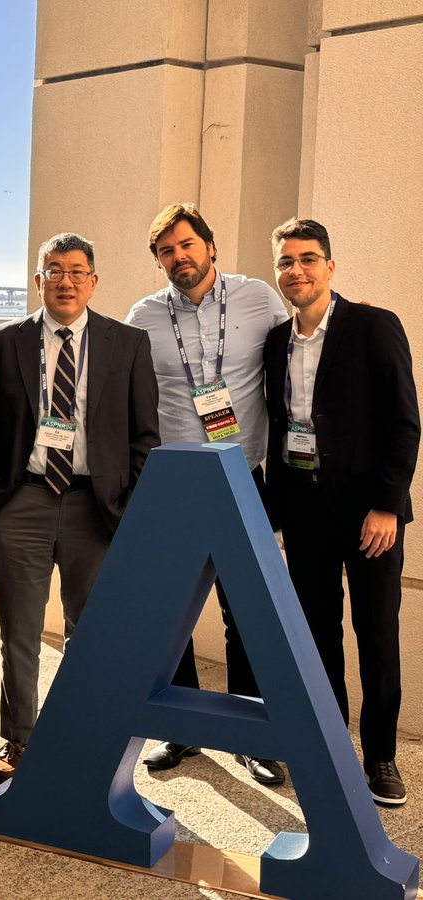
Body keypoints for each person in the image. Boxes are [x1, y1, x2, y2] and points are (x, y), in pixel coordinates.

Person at [0, 234, 160, 784]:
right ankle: (21, 740)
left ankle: (79, 734)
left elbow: (145, 435)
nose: (66, 280)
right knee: (20, 629)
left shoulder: (127, 343)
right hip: (24, 502)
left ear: (94, 282)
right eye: (54, 270)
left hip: (94, 508)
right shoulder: (3, 342)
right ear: (38, 281)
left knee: (90, 632)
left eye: (78, 271)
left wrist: (126, 507)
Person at [125, 202, 289, 785]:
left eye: (187, 245)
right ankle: (182, 729)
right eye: (166, 251)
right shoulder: (142, 315)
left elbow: (305, 342)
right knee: (172, 607)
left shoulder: (260, 298)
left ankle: (251, 734)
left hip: (244, 473)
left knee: (244, 607)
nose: (179, 257)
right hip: (172, 482)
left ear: (211, 247)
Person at [263, 218, 420, 806]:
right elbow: (279, 426)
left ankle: (380, 757)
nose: (295, 271)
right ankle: (331, 745)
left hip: (369, 515)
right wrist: (274, 512)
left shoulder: (374, 326)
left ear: (330, 266)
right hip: (304, 509)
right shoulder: (276, 341)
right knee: (317, 631)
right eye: (285, 262)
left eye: (307, 259)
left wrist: (387, 506)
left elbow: (405, 423)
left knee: (376, 631)